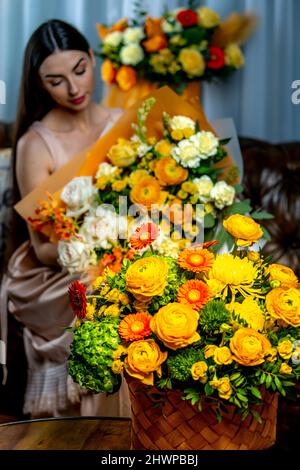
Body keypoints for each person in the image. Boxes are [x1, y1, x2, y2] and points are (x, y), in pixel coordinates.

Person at [0, 19, 131, 418]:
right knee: (111, 295)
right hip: (60, 268)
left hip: (131, 254)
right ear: (39, 84)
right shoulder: (34, 144)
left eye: (79, 70)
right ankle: (103, 435)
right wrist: (106, 246)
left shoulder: (124, 124)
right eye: (56, 80)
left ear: (93, 58)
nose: (74, 89)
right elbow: (42, 248)